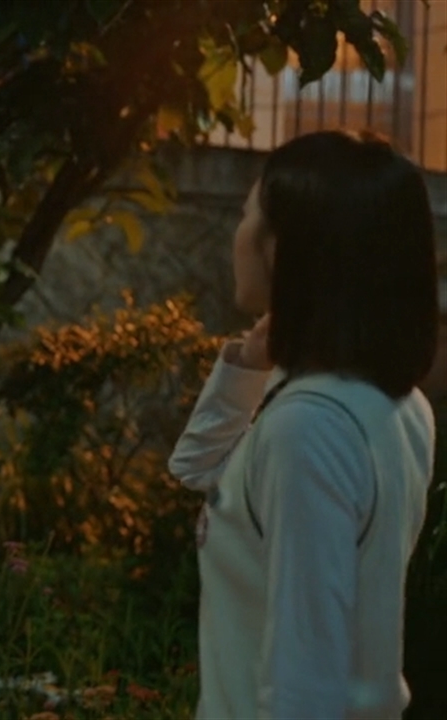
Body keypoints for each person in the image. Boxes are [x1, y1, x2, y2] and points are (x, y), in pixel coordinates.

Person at [169, 129, 438, 720]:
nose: (237, 233)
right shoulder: (397, 405)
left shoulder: (307, 429)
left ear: (280, 249)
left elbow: (305, 683)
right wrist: (245, 367)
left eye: (247, 215)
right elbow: (195, 469)